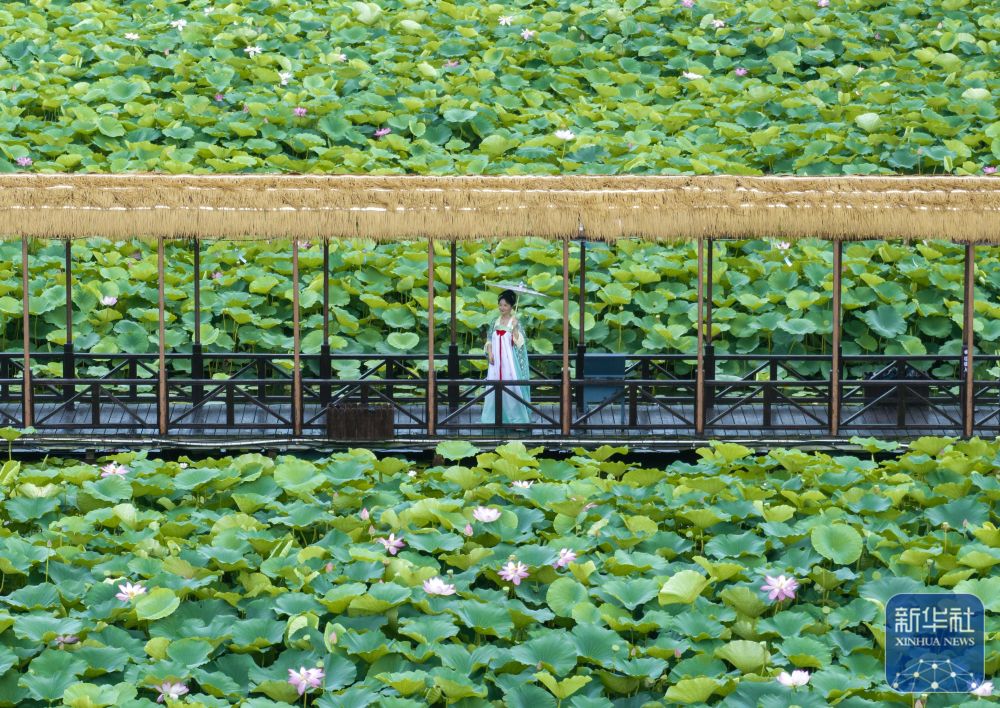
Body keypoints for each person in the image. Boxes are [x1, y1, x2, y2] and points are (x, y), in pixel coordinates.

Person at [481, 289, 532, 426]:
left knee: (511, 388)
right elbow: (489, 339)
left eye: (505, 305)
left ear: (511, 307)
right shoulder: (495, 321)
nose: (502, 308)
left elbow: (520, 343)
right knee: (493, 386)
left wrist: (514, 328)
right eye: (500, 305)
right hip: (496, 362)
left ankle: (515, 420)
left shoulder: (515, 321)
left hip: (509, 362)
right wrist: (490, 353)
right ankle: (493, 419)